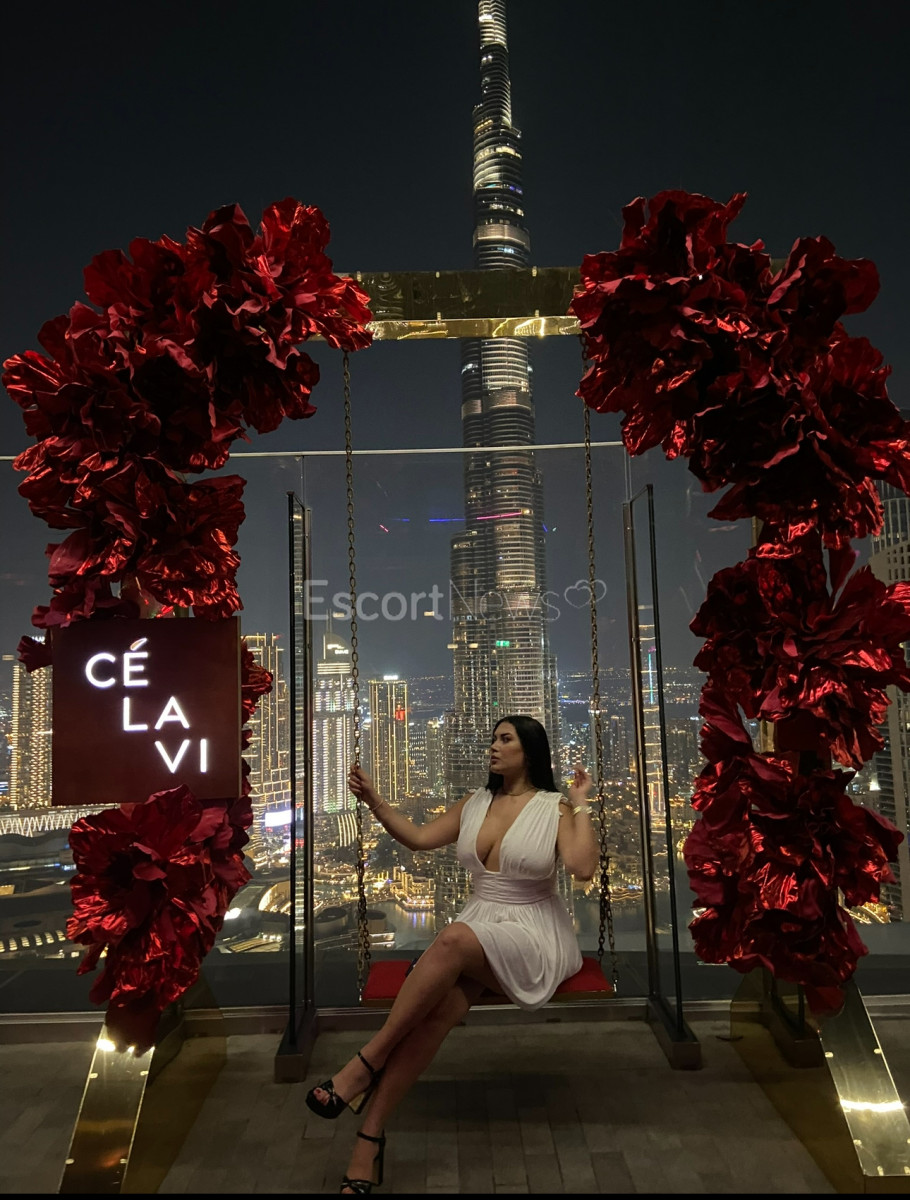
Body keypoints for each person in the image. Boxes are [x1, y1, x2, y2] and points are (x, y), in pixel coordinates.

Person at [305, 714, 600, 1195]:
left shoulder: (556, 808)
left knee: (452, 940)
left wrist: (581, 801)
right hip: (483, 925)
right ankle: (368, 1139)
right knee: (437, 1015)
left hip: (535, 933)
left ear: (529, 751)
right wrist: (375, 800)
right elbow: (419, 838)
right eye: (493, 739)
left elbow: (582, 869)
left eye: (505, 739)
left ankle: (366, 1061)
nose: (493, 746)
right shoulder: (476, 802)